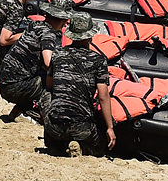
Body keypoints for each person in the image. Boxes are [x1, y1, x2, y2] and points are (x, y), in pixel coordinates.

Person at [44, 12, 115, 157]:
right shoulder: (98, 60)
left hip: (53, 125)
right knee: (100, 148)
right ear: (90, 35)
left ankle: (61, 145)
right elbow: (103, 96)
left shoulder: (57, 54)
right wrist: (110, 127)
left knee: (54, 147)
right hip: (80, 124)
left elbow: (49, 84)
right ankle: (82, 147)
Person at [0, 0, 73, 122]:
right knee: (53, 82)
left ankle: (24, 108)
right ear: (62, 19)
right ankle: (47, 117)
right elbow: (49, 63)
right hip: (15, 87)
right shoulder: (48, 34)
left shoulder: (35, 25)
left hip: (6, 82)